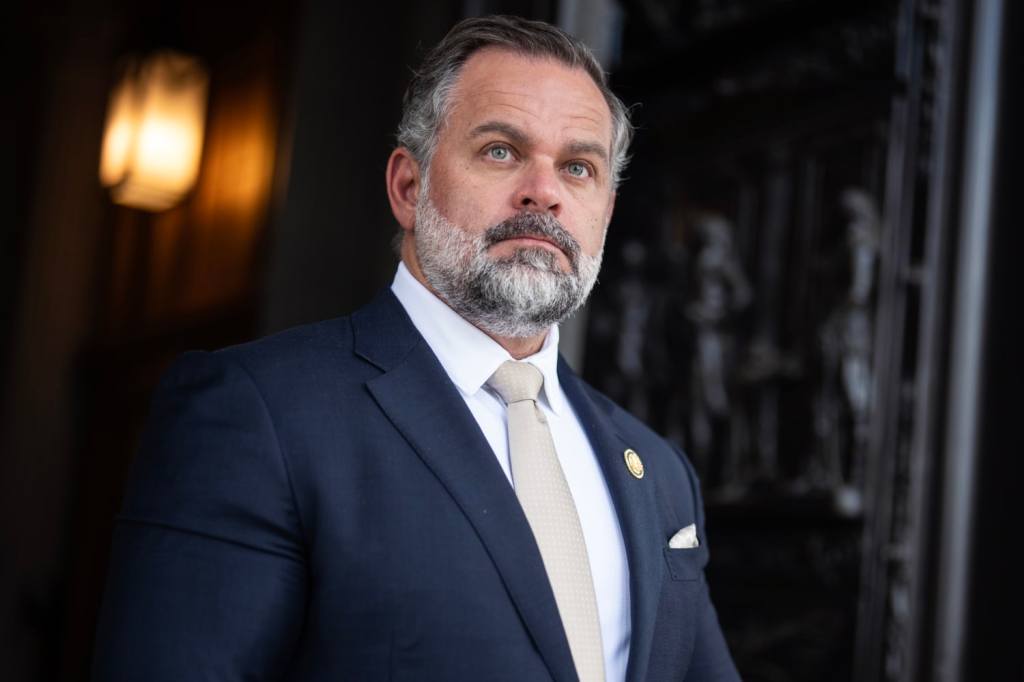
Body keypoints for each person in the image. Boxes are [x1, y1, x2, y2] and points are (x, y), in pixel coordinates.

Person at [92, 15, 740, 682]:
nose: (544, 193)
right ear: (409, 187)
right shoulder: (257, 412)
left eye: (578, 167)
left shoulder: (660, 472)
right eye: (500, 151)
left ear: (604, 210)